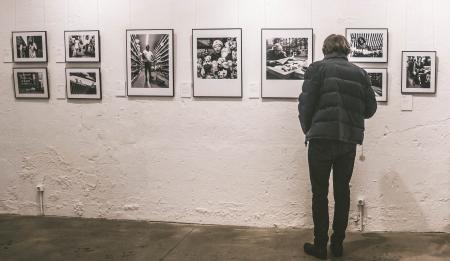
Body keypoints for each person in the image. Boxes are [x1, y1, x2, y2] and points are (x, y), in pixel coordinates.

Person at [298, 34, 377, 259]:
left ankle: (320, 246)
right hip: (347, 142)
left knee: (319, 194)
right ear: (347, 50)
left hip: (320, 141)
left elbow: (305, 105)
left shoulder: (316, 69)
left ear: (325, 49)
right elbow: (370, 109)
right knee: (342, 193)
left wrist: (309, 129)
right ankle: (338, 245)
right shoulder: (360, 73)